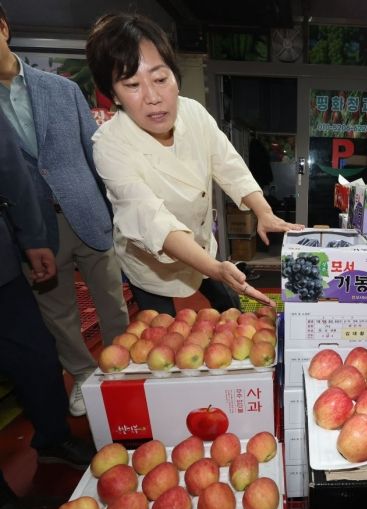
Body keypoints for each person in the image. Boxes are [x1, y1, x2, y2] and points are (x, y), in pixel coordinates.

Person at [85, 13, 302, 316]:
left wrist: (262, 211)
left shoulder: (193, 113)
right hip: (151, 264)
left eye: (161, 79)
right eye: (132, 84)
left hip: (200, 246)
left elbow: (227, 162)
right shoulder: (109, 145)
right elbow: (151, 220)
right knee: (162, 334)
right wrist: (215, 268)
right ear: (114, 96)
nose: (153, 97)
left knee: (231, 308)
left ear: (175, 76)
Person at [0, 3, 130, 417]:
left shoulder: (61, 89)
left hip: (87, 213)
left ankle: (124, 368)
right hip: (30, 226)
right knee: (58, 312)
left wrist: (114, 211)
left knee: (112, 301)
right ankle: (84, 377)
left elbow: (98, 152)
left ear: (3, 27)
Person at [0, 109, 96, 509]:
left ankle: (54, 434)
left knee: (35, 353)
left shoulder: (59, 92)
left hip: (7, 258)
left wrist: (30, 234)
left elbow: (9, 166)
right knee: (53, 324)